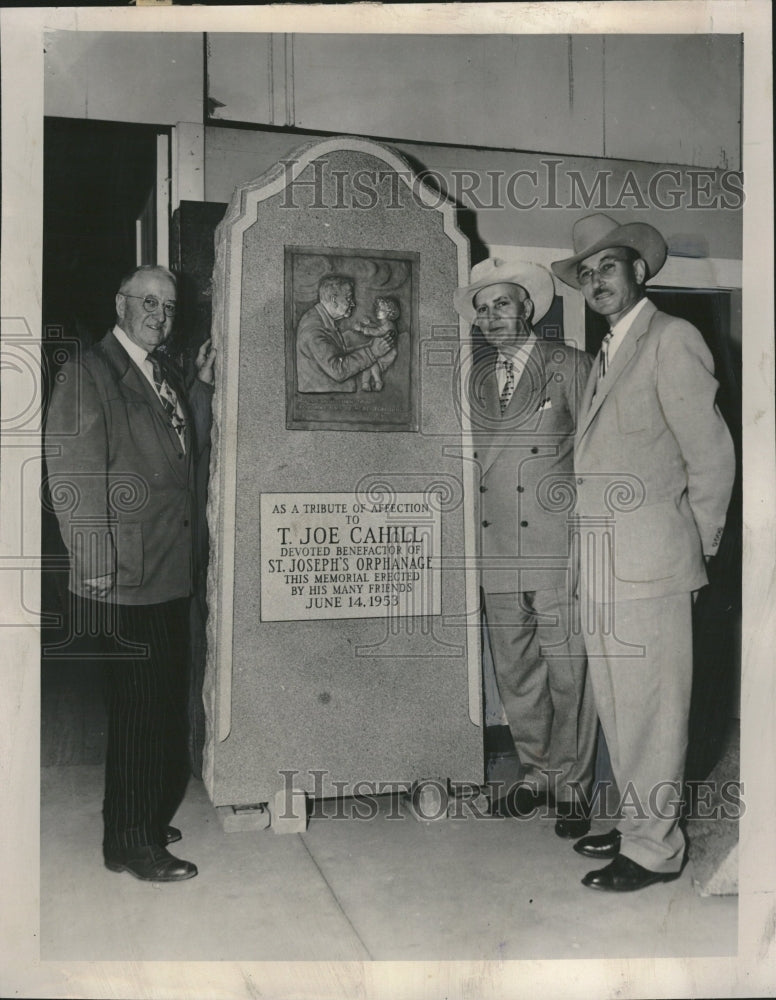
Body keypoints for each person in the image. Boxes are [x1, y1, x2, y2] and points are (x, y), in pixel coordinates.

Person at [551, 214, 736, 892]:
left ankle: (657, 849)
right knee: (620, 705)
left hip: (653, 563)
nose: (597, 280)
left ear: (639, 271)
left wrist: (695, 549)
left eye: (609, 266)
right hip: (604, 566)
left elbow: (711, 458)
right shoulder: (607, 353)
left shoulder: (671, 339)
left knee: (656, 710)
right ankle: (636, 824)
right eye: (587, 272)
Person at [45, 264, 215, 882]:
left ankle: (137, 810)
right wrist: (92, 563)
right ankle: (130, 843)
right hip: (122, 573)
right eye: (147, 302)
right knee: (141, 708)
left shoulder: (160, 371)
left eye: (168, 306)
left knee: (158, 703)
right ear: (120, 304)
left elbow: (180, 448)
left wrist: (198, 384)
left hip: (167, 568)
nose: (159, 314)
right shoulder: (91, 372)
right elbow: (71, 475)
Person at [453, 258, 597, 838]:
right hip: (497, 550)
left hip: (556, 547)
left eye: (503, 305)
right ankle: (537, 774)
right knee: (516, 672)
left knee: (568, 672)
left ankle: (573, 785)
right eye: (483, 309)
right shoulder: (476, 376)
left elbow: (596, 457)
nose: (491, 318)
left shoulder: (569, 365)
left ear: (528, 308)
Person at [295, 274, 397, 392]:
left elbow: (338, 354)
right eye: (348, 298)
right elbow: (338, 370)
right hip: (325, 398)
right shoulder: (313, 330)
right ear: (334, 300)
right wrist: (372, 352)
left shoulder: (322, 320)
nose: (353, 303)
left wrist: (369, 347)